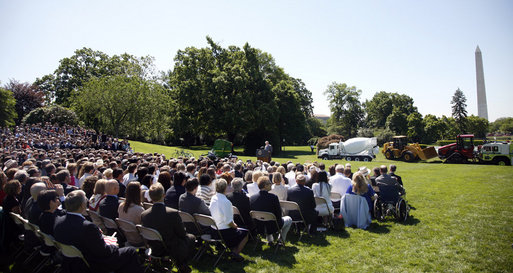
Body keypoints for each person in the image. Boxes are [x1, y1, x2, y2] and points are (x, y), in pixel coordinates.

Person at [54, 190, 144, 273]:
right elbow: (104, 252)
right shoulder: (87, 226)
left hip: (71, 262)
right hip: (92, 263)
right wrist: (113, 246)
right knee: (130, 251)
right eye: (85, 199)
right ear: (82, 205)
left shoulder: (58, 221)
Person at [141, 183, 195, 273]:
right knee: (191, 237)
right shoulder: (172, 213)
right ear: (164, 195)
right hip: (170, 247)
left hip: (154, 246)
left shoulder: (144, 214)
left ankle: (180, 263)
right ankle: (182, 264)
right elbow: (182, 233)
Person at [209, 179, 248, 262]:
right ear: (226, 188)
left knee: (237, 231)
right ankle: (235, 253)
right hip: (223, 231)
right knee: (245, 233)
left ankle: (233, 251)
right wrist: (235, 226)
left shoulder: (213, 198)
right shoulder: (226, 202)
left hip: (214, 229)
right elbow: (229, 222)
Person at [250, 176, 292, 242]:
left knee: (267, 219)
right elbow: (279, 214)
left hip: (259, 227)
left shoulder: (252, 198)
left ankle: (270, 240)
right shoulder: (273, 197)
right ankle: (281, 240)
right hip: (273, 227)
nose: (271, 185)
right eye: (269, 183)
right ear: (265, 186)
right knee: (289, 219)